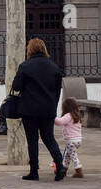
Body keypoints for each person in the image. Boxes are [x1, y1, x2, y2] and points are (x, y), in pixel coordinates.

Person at [11, 37, 67, 181]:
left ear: (29, 50)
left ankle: (34, 171)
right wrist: (53, 106)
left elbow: (16, 86)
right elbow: (57, 90)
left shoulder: (25, 66)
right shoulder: (54, 67)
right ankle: (59, 165)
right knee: (49, 138)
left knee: (32, 140)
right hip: (48, 109)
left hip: (29, 109)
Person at [55, 97, 84, 178]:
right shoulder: (77, 115)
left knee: (73, 156)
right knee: (68, 156)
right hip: (78, 140)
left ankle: (79, 171)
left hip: (71, 141)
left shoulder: (68, 115)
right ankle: (63, 170)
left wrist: (52, 116)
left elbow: (59, 122)